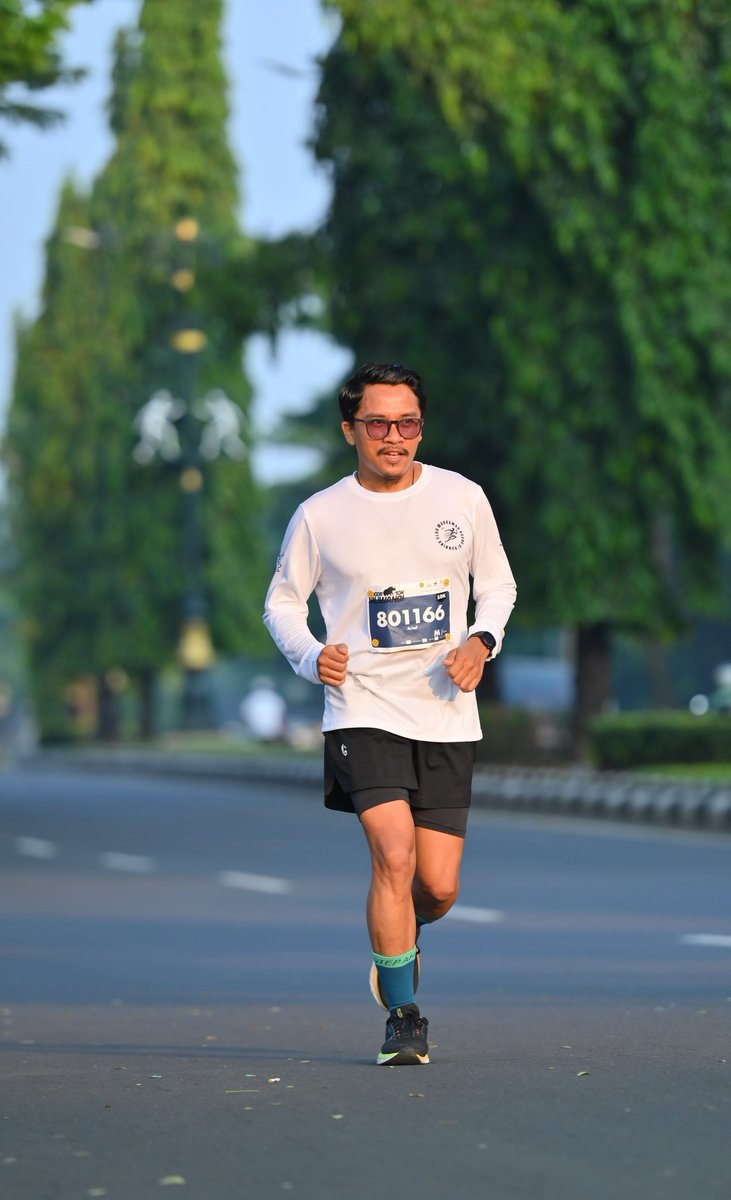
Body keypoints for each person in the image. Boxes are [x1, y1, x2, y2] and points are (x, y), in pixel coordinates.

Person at [264, 362, 516, 1065]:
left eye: (407, 423)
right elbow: (282, 601)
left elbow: (497, 586)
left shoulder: (461, 499)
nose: (394, 437)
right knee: (392, 854)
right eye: (378, 424)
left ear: (420, 428)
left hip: (444, 712)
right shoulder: (321, 514)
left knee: (434, 885)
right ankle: (403, 1016)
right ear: (351, 431)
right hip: (361, 707)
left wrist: (481, 639)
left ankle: (397, 944)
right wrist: (312, 656)